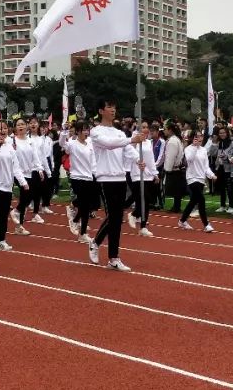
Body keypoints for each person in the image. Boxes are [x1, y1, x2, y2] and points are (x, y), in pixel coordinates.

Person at [88, 99, 145, 271]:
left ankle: (109, 254)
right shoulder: (96, 131)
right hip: (105, 178)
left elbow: (128, 151)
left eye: (114, 107)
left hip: (120, 177)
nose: (113, 110)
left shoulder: (119, 133)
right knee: (113, 217)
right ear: (101, 110)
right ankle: (104, 249)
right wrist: (132, 139)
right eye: (109, 107)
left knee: (117, 218)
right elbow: (109, 145)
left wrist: (137, 160)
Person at [0, 121, 29, 251]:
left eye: (5, 128)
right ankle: (0, 240)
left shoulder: (10, 146)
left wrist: (23, 182)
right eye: (0, 128)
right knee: (2, 210)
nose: (3, 130)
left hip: (7, 184)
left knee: (4, 212)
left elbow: (16, 166)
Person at [61, 120, 97, 242]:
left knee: (86, 204)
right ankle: (82, 233)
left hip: (88, 177)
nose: (86, 132)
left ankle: (75, 218)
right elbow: (62, 144)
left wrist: (95, 174)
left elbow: (93, 162)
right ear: (78, 131)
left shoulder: (90, 145)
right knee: (85, 205)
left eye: (87, 129)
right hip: (76, 177)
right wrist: (64, 131)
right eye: (84, 129)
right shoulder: (72, 144)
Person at [8, 118, 45, 235]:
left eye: (23, 124)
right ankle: (16, 211)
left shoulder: (30, 141)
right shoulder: (12, 141)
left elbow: (35, 156)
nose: (21, 126)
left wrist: (39, 169)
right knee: (27, 193)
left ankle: (19, 225)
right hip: (16, 172)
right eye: (18, 125)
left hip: (29, 172)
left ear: (26, 126)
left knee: (29, 196)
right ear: (15, 128)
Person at [179, 129, 217, 232]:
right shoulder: (188, 149)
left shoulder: (204, 150)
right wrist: (195, 147)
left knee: (193, 201)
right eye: (196, 136)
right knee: (201, 200)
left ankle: (182, 220)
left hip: (201, 178)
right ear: (192, 138)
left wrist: (212, 175)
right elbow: (189, 160)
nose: (199, 138)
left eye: (200, 136)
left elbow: (206, 166)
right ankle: (206, 224)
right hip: (192, 178)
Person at [126, 121, 159, 237]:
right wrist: (135, 139)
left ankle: (142, 225)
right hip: (136, 174)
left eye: (147, 127)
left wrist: (155, 174)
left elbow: (151, 160)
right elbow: (129, 154)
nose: (145, 129)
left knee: (146, 200)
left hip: (148, 175)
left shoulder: (148, 143)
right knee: (143, 198)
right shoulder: (134, 141)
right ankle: (136, 217)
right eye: (143, 127)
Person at [207, 126, 233, 214]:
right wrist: (214, 143)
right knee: (221, 187)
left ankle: (231, 206)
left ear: (227, 133)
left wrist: (226, 157)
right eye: (220, 133)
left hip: (228, 168)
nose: (222, 134)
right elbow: (212, 153)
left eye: (224, 132)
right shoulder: (219, 143)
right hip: (220, 167)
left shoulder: (232, 143)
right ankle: (222, 205)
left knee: (229, 187)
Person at [163, 122, 186, 212]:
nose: (164, 131)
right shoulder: (176, 139)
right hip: (177, 167)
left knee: (176, 190)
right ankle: (176, 206)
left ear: (170, 130)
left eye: (165, 129)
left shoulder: (172, 141)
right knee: (177, 190)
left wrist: (167, 169)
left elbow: (171, 156)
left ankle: (176, 207)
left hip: (174, 168)